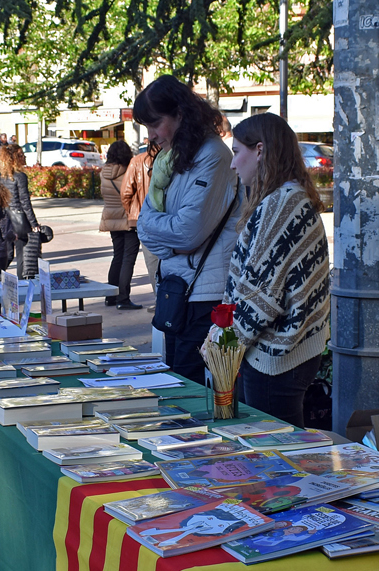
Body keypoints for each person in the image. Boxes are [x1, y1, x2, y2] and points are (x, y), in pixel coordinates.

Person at [212, 114, 330, 426]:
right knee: (282, 449)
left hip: (275, 355)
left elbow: (261, 297)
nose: (233, 164)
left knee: (274, 454)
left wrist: (219, 344)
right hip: (285, 351)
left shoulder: (283, 204)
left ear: (260, 150)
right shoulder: (288, 199)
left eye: (237, 152)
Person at [134, 75, 239, 382]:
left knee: (188, 391)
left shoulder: (213, 156)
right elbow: (142, 225)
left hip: (205, 296)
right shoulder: (171, 158)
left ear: (180, 114)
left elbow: (188, 232)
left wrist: (166, 238)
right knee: (177, 385)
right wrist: (172, 245)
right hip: (178, 290)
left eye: (155, 124)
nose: (151, 135)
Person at [100, 139, 141, 309]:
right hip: (128, 217)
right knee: (128, 259)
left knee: (117, 256)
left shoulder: (103, 172)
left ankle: (111, 296)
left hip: (110, 218)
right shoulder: (128, 172)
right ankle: (123, 298)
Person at [122, 133, 162, 296]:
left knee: (152, 263)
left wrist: (132, 212)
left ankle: (160, 301)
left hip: (144, 220)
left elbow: (125, 193)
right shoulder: (172, 160)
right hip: (168, 219)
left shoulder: (137, 161)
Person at [0, 144, 41, 278]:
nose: (24, 157)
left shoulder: (1, 176)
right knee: (22, 255)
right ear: (15, 158)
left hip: (5, 219)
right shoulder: (20, 176)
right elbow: (25, 202)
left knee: (8, 254)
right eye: (21, 155)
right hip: (19, 220)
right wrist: (34, 224)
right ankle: (22, 284)